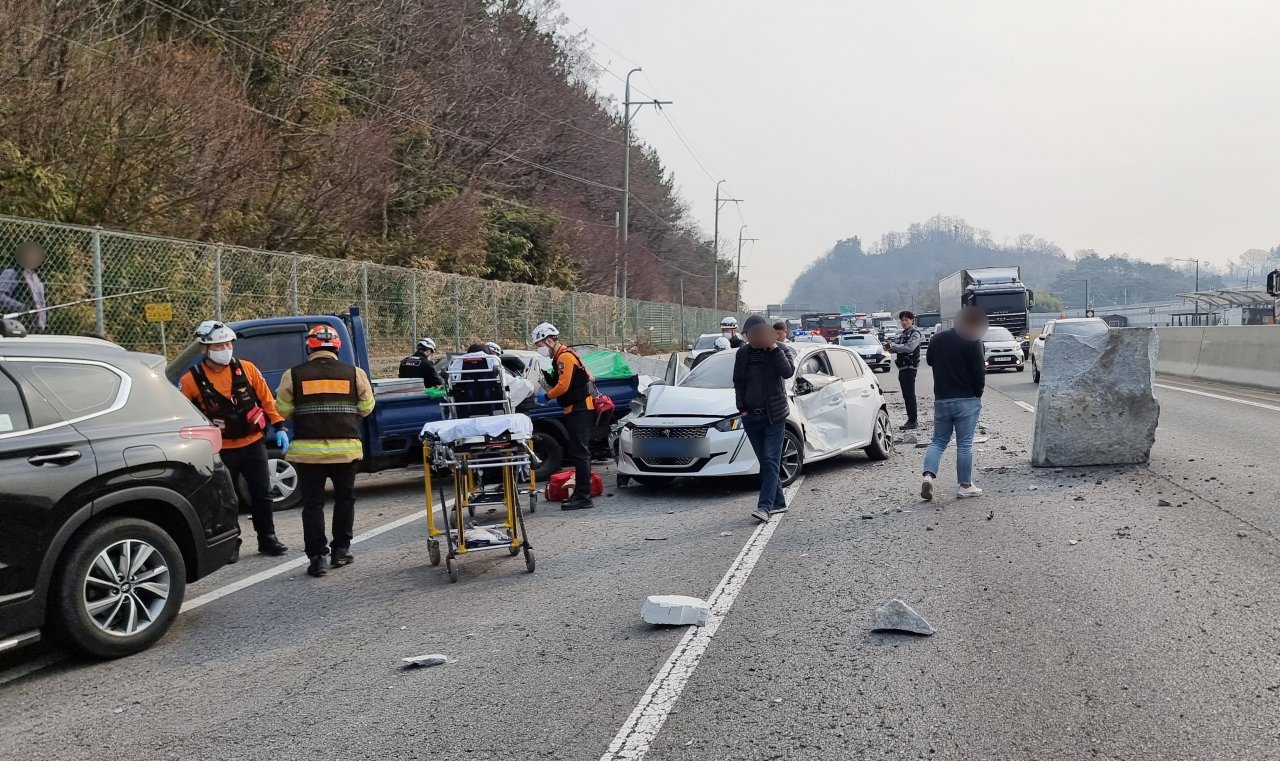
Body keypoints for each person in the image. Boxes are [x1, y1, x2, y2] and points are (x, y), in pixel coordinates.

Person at [177, 320, 290, 560]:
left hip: (253, 443)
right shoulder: (190, 380)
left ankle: (267, 538)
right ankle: (230, 544)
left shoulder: (247, 369)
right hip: (220, 449)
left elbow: (266, 399)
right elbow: (184, 415)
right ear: (205, 349)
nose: (225, 349)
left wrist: (279, 426)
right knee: (225, 500)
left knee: (262, 493)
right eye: (219, 345)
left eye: (228, 344)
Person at [275, 325, 375, 577]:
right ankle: (341, 551)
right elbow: (367, 407)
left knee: (313, 505)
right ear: (337, 347)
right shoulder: (354, 373)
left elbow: (283, 410)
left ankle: (317, 558)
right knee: (344, 500)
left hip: (308, 454)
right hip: (345, 452)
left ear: (310, 347)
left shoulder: (293, 374)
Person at [920, 306, 988, 501]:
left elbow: (931, 361)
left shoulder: (937, 338)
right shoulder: (973, 340)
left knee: (938, 441)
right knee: (964, 444)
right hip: (966, 400)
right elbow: (979, 371)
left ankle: (928, 476)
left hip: (941, 399)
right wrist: (978, 393)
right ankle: (965, 485)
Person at [733, 314, 796, 522]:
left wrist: (774, 348)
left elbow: (787, 373)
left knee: (770, 461)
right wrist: (742, 409)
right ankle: (779, 502)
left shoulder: (781, 350)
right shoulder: (743, 354)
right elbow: (738, 382)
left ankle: (765, 506)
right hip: (751, 417)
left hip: (774, 416)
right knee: (765, 462)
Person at [532, 322, 596, 510]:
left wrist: (547, 396)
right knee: (578, 452)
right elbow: (557, 379)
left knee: (580, 453)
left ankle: (583, 496)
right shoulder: (559, 357)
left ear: (550, 340)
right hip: (574, 408)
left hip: (580, 409)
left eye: (540, 345)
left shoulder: (565, 358)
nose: (540, 349)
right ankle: (581, 492)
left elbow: (563, 386)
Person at [884, 310, 924, 430]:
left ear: (912, 321)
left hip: (910, 367)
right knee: (906, 395)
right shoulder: (902, 334)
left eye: (907, 320)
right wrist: (890, 347)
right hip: (902, 367)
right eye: (902, 320)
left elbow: (909, 347)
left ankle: (913, 421)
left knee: (909, 395)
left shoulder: (915, 333)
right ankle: (910, 419)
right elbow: (897, 348)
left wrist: (894, 347)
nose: (904, 322)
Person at [0, 242, 48, 333]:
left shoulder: (38, 275)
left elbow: (42, 302)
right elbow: (1, 295)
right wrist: (22, 307)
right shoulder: (12, 272)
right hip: (17, 325)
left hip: (38, 326)